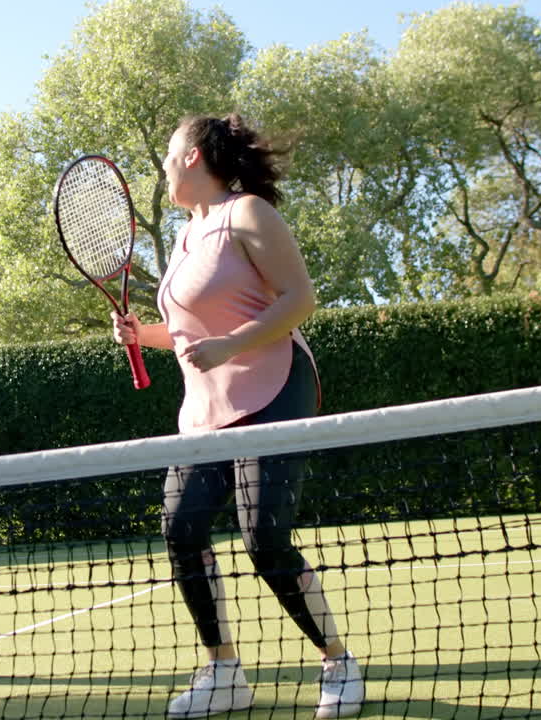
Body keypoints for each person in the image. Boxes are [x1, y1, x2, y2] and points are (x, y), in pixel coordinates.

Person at [111, 114, 364, 719]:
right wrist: (143, 334)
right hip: (204, 409)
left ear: (195, 156)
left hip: (275, 385)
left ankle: (338, 662)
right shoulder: (182, 236)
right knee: (181, 529)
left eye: (169, 155)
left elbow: (299, 299)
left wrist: (228, 345)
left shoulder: (249, 213)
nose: (164, 166)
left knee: (263, 536)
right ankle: (223, 671)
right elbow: (186, 331)